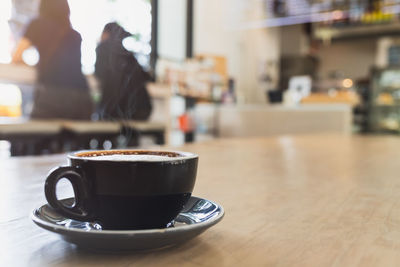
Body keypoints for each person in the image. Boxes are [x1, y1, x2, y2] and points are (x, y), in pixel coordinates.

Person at [12, 0, 93, 120]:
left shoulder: (37, 24)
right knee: (71, 137)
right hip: (82, 97)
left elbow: (16, 57)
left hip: (52, 96)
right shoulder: (75, 35)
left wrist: (37, 66)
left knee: (34, 136)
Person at [94, 22, 152, 121]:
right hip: (142, 110)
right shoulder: (128, 55)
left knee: (99, 117)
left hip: (115, 111)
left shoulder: (102, 48)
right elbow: (147, 77)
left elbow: (99, 75)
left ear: (106, 33)